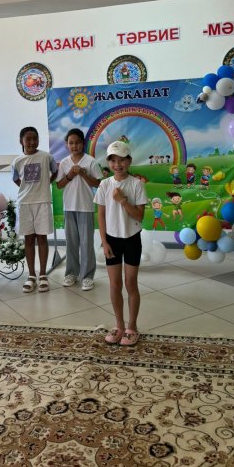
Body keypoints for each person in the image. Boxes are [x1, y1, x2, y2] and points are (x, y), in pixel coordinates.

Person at [94, 140, 148, 346]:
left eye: (122, 160)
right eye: (113, 160)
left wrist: (123, 200)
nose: (117, 164)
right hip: (112, 240)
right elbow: (100, 215)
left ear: (129, 161)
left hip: (132, 238)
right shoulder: (104, 184)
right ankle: (119, 325)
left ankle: (132, 327)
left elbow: (139, 216)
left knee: (130, 283)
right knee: (114, 284)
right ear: (108, 163)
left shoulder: (137, 184)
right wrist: (104, 241)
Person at [12, 127, 57, 293]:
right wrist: (26, 189)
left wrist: (45, 184)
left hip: (42, 202)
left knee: (42, 238)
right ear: (21, 141)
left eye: (35, 138)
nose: (32, 142)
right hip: (25, 204)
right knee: (29, 240)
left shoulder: (46, 157)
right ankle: (31, 276)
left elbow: (55, 172)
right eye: (28, 139)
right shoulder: (17, 161)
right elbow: (16, 179)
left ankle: (43, 275)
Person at [56, 128, 102, 290]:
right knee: (71, 242)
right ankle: (71, 273)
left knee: (86, 243)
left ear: (83, 143)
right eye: (71, 143)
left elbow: (98, 183)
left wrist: (82, 173)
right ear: (66, 144)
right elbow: (59, 185)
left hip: (86, 207)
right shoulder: (64, 163)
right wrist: (70, 174)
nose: (74, 146)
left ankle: (87, 276)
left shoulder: (90, 161)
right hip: (69, 206)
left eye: (77, 143)